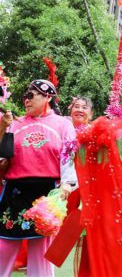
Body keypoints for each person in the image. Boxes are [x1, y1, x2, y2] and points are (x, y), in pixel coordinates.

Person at [0, 79, 77, 276]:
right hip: (14, 190)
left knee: (40, 253)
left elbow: (68, 158)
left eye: (32, 95)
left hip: (45, 193)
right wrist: (2, 129)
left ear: (48, 97)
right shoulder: (14, 125)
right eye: (25, 95)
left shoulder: (63, 125)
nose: (26, 99)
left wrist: (67, 185)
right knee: (3, 247)